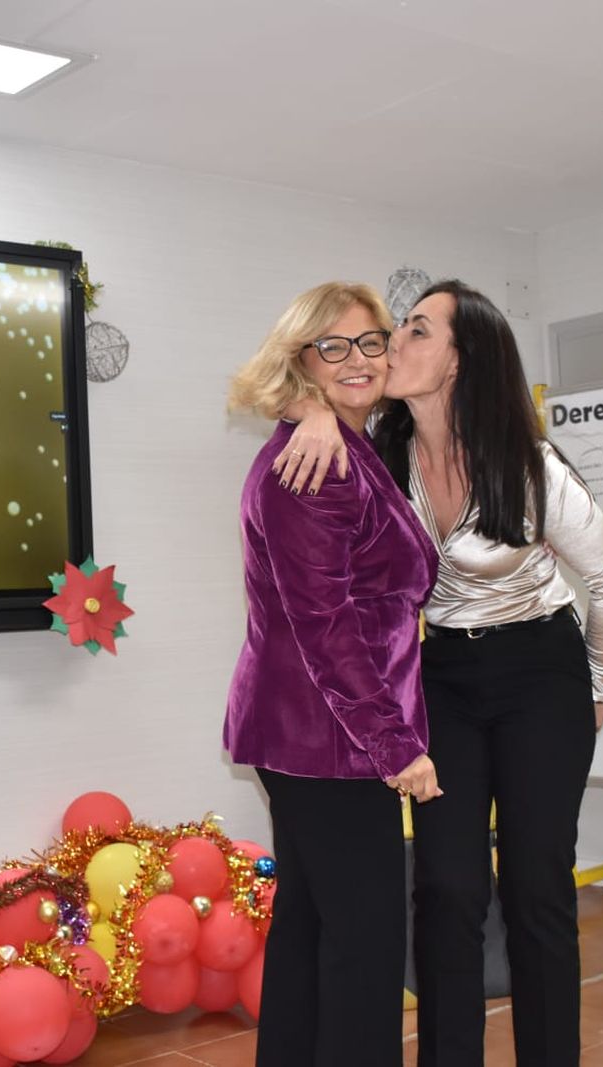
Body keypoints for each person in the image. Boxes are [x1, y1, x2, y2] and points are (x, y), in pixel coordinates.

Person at [282, 280, 603, 1066]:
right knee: (446, 888)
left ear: (458, 361)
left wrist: (599, 689)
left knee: (537, 888)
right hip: (441, 674)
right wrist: (312, 411)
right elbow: (325, 399)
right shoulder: (380, 452)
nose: (387, 348)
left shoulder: (528, 463)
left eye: (412, 333)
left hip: (540, 668)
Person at [224, 281, 441, 1067]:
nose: (358, 360)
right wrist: (395, 743)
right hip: (331, 738)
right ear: (303, 360)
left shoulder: (341, 442)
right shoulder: (314, 462)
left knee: (314, 933)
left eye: (369, 342)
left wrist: (313, 408)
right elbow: (326, 626)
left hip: (313, 734)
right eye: (333, 346)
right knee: (365, 946)